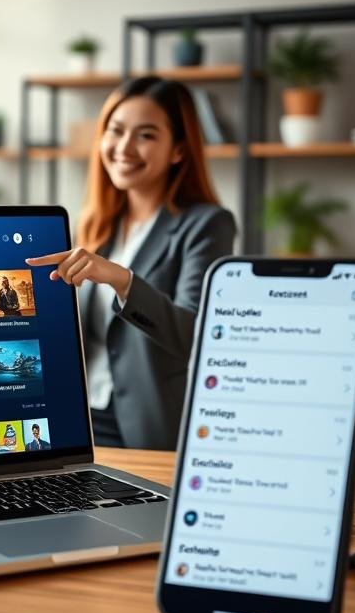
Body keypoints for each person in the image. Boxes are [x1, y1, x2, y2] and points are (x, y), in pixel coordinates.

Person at [27, 76, 235, 450]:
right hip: (78, 419)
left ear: (179, 150)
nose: (124, 147)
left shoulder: (207, 225)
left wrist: (122, 281)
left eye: (146, 135)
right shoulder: (95, 224)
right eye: (116, 130)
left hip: (145, 430)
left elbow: (195, 335)